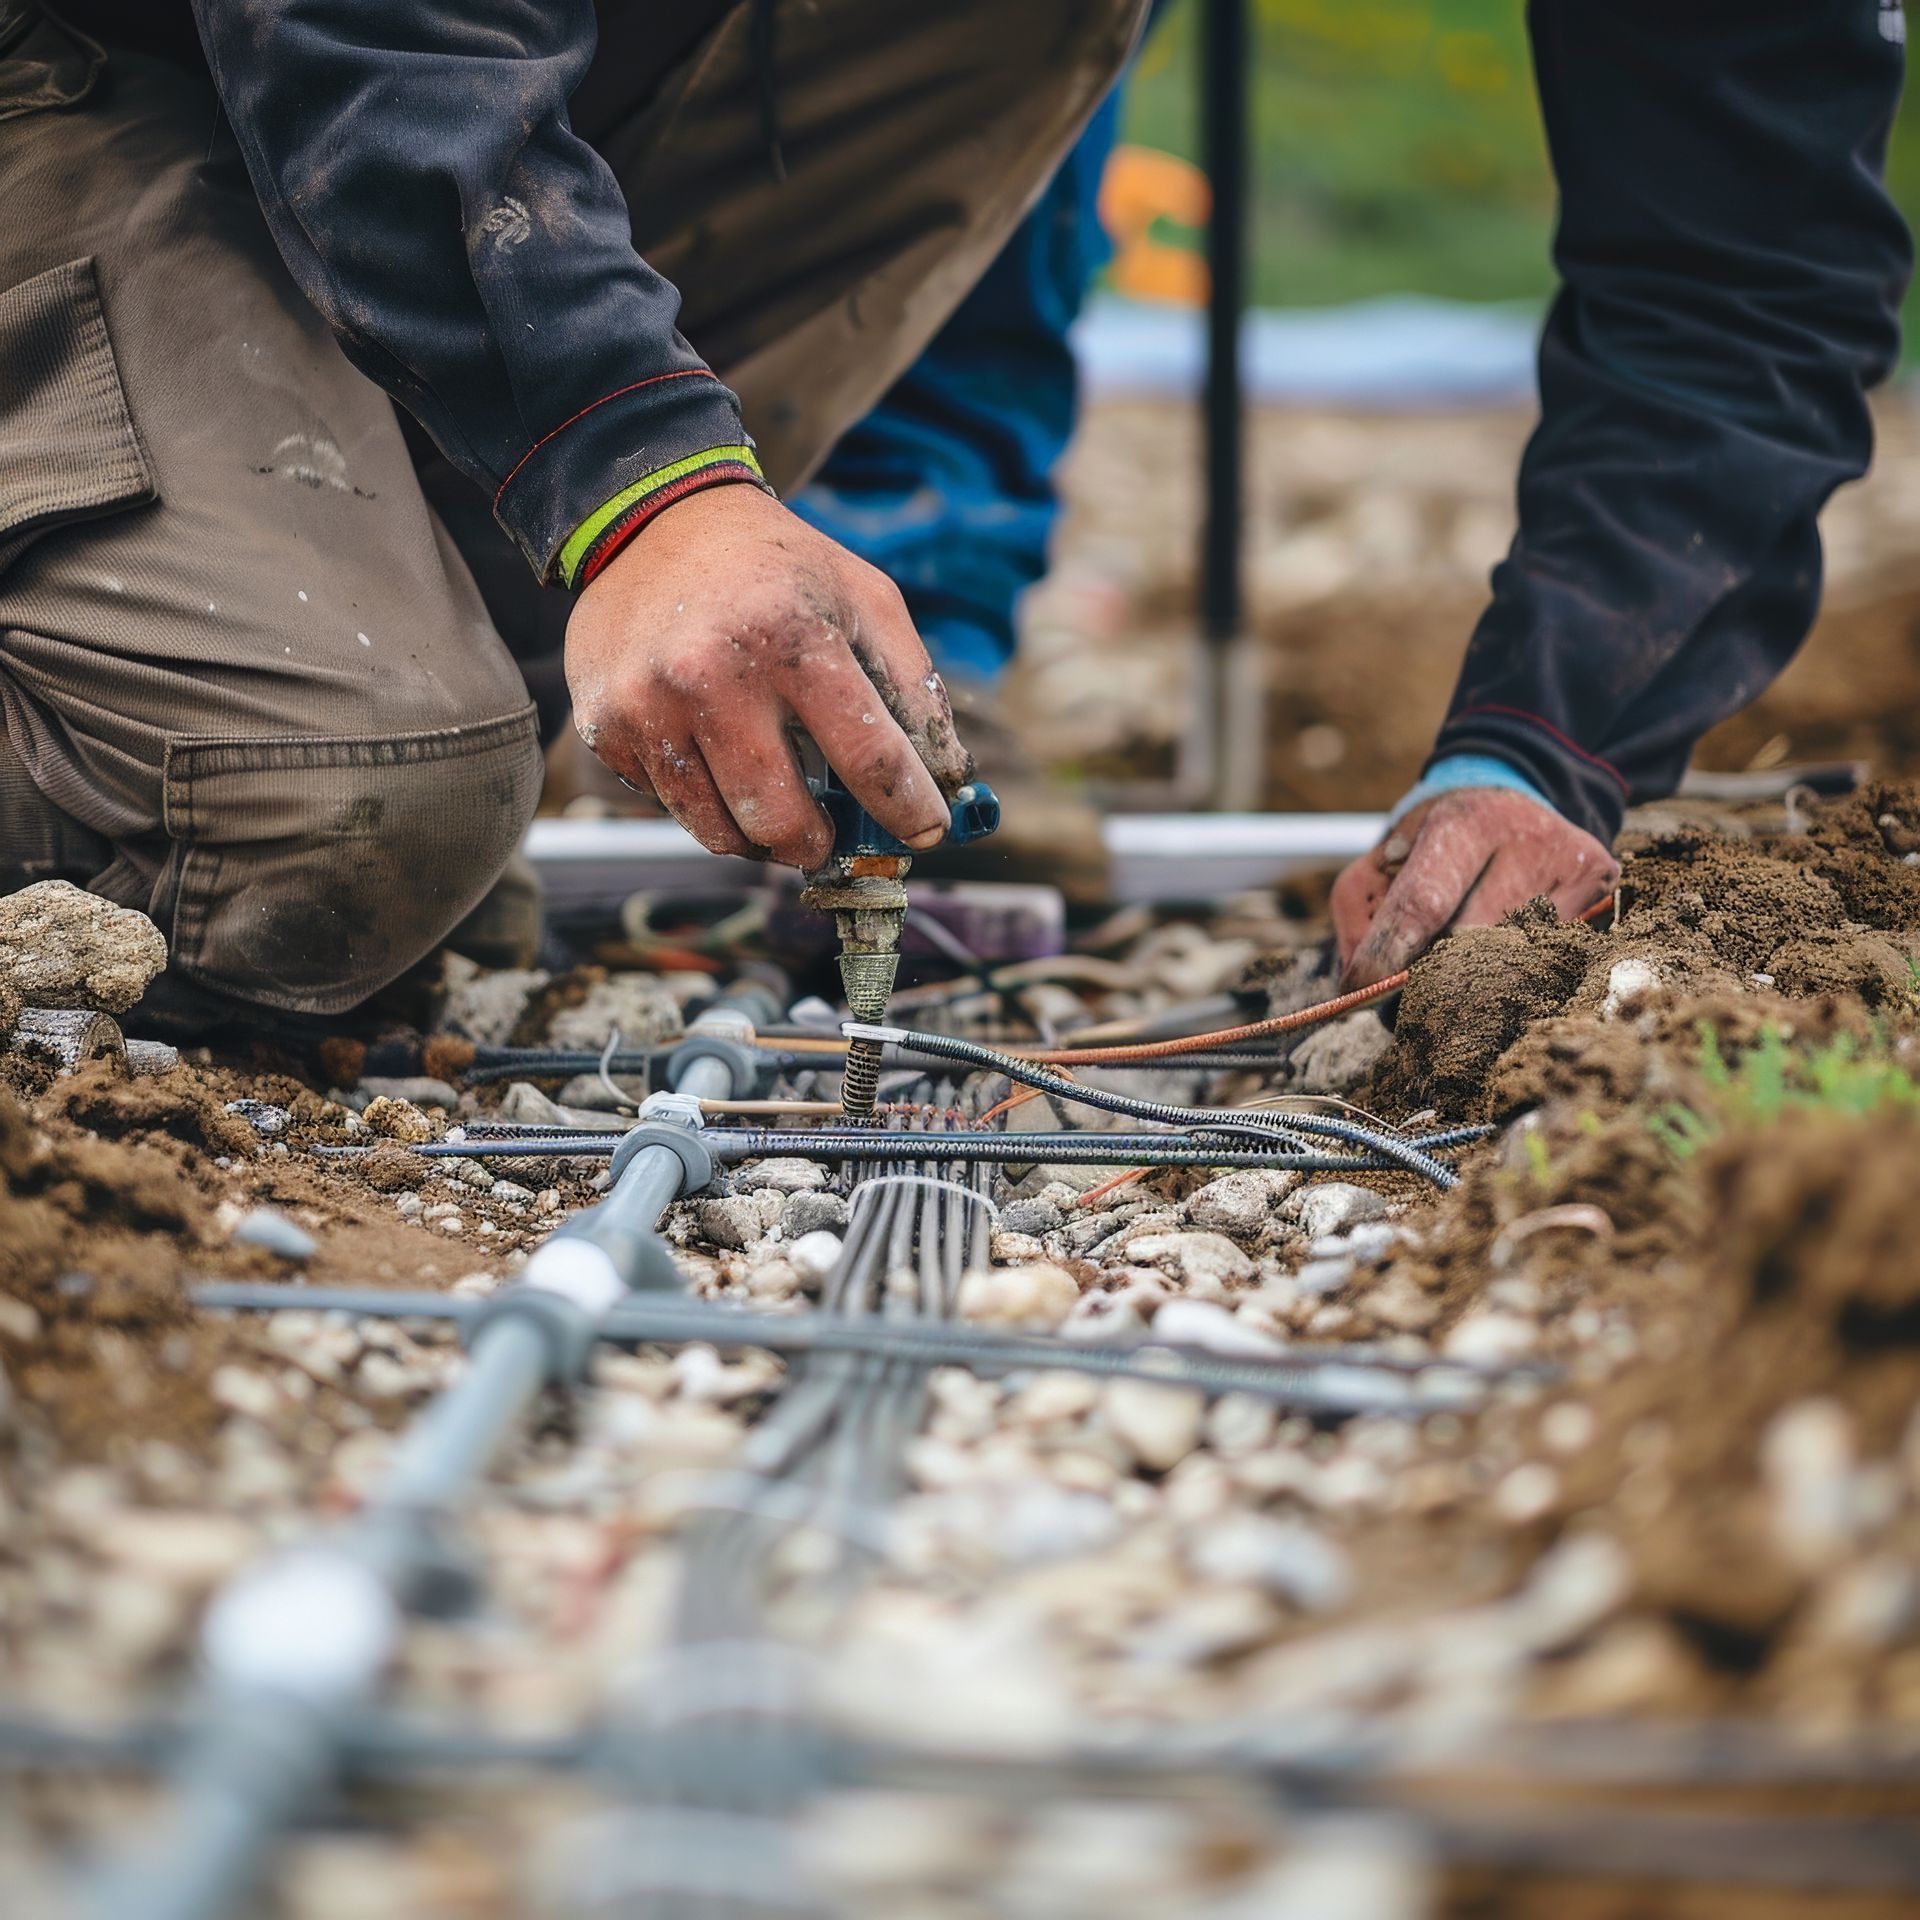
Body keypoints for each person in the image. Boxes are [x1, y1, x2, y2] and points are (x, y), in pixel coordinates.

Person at [0, 3, 1908, 1021]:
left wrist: (1545, 747)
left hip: (423, 126)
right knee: (348, 800)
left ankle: (298, 553)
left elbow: (1744, 275)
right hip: (128, 63)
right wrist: (634, 482)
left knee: (446, 757)